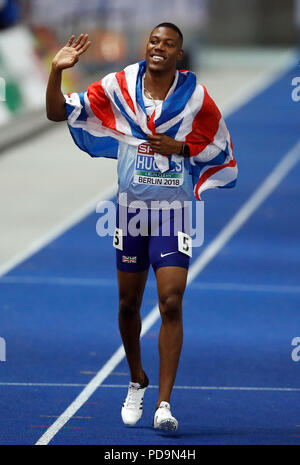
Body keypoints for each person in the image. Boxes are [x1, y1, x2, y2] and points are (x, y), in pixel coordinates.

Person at [46, 23, 237, 431]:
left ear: (179, 56)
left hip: (174, 213)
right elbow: (56, 111)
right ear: (145, 47)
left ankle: (163, 405)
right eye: (154, 41)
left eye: (169, 44)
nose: (160, 48)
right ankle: (137, 378)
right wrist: (56, 71)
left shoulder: (195, 97)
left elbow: (219, 144)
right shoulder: (118, 87)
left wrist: (183, 147)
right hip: (131, 213)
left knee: (170, 301)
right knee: (128, 305)